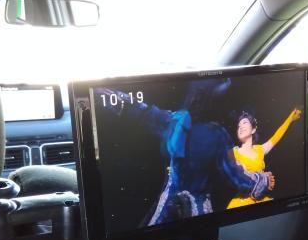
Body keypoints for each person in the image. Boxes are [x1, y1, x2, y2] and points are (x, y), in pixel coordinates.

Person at [95, 79, 273, 226]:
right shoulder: (216, 135)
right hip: (198, 209)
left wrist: (102, 92)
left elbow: (141, 110)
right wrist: (262, 180)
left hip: (168, 204)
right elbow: (235, 176)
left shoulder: (174, 121)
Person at [227, 108, 302, 209]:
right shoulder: (233, 153)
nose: (240, 127)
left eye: (244, 123)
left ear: (253, 129)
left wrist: (290, 119)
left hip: (262, 200)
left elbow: (276, 137)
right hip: (242, 202)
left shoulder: (260, 149)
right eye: (238, 126)